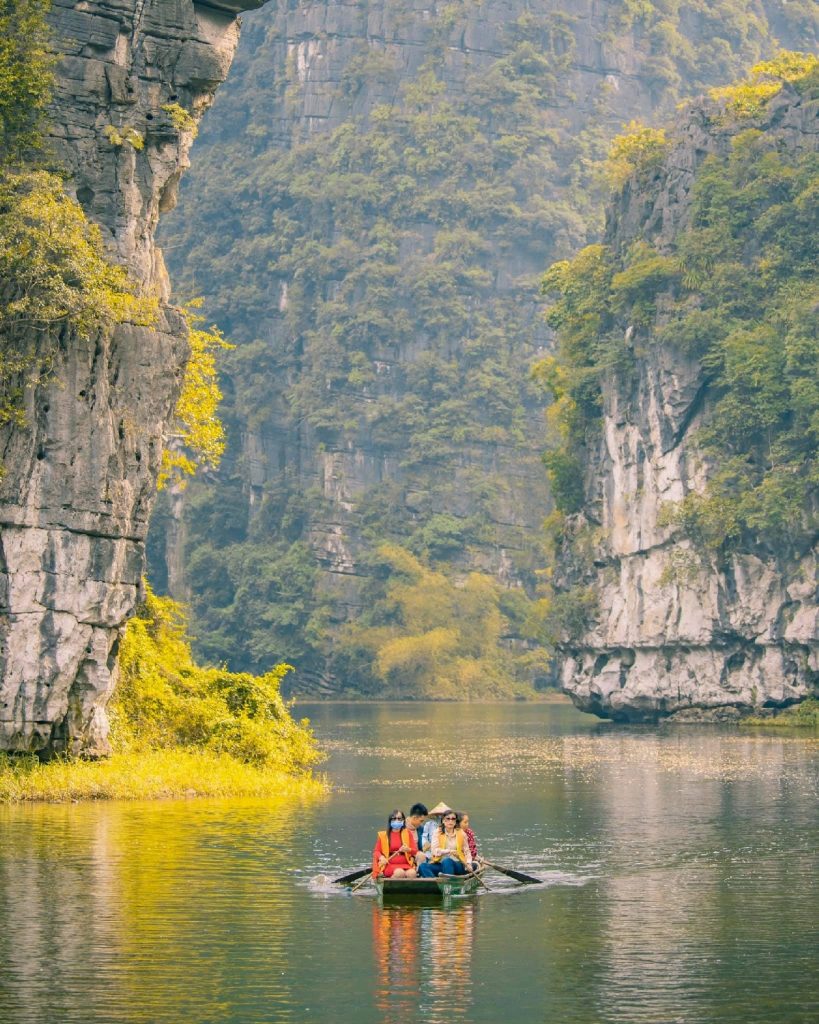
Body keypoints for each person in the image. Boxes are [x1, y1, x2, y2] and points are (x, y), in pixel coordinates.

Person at [417, 810, 470, 877]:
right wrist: (448, 851)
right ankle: (435, 883)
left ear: (455, 821)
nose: (450, 821)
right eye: (448, 819)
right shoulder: (437, 832)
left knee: (447, 861)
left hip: (458, 864)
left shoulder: (461, 833)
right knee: (422, 866)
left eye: (453, 819)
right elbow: (434, 851)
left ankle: (448, 884)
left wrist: (468, 863)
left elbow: (467, 851)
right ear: (443, 821)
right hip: (440, 864)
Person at [372, 809, 418, 879]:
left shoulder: (408, 833)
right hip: (389, 864)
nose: (397, 820)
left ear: (403, 820)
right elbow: (376, 851)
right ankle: (391, 887)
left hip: (405, 864)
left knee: (412, 873)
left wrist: (408, 849)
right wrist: (381, 857)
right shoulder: (383, 835)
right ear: (390, 820)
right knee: (400, 873)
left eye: (399, 818)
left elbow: (415, 851)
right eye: (394, 818)